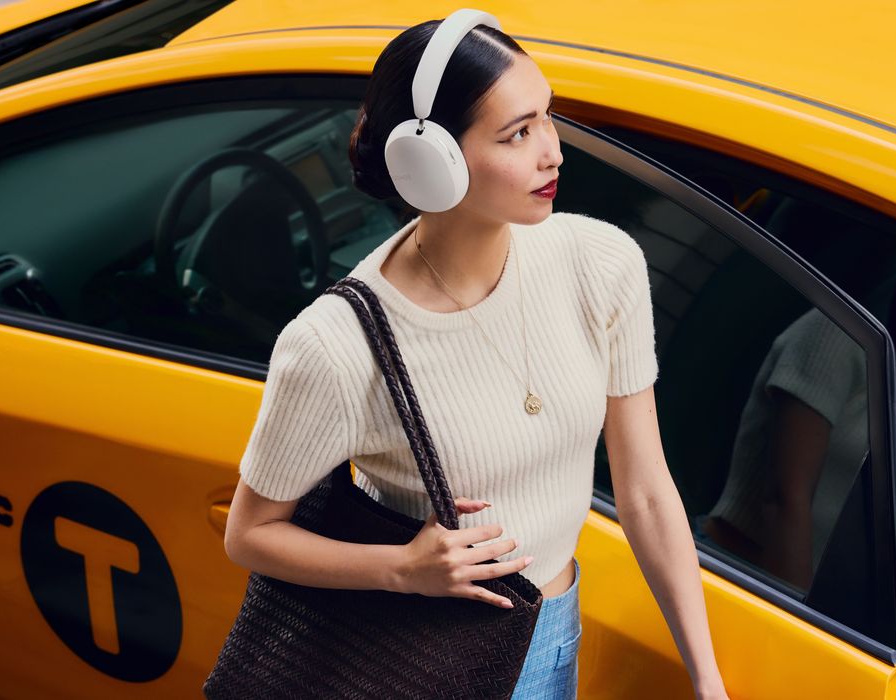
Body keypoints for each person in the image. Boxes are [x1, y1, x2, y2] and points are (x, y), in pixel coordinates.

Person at [221, 14, 729, 700]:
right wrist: (403, 567)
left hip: (552, 626)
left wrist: (707, 679)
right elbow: (250, 536)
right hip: (426, 659)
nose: (552, 152)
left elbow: (642, 490)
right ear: (433, 161)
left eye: (546, 118)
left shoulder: (599, 263)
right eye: (517, 133)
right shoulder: (336, 348)